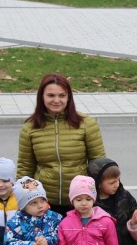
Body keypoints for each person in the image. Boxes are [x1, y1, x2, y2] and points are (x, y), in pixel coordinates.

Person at [17, 73, 105, 214]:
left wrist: (94, 196)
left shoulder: (86, 123)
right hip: (44, 204)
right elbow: (25, 167)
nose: (56, 100)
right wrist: (23, 200)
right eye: (51, 95)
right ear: (42, 97)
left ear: (69, 97)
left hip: (80, 204)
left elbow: (98, 164)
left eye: (62, 96)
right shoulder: (30, 127)